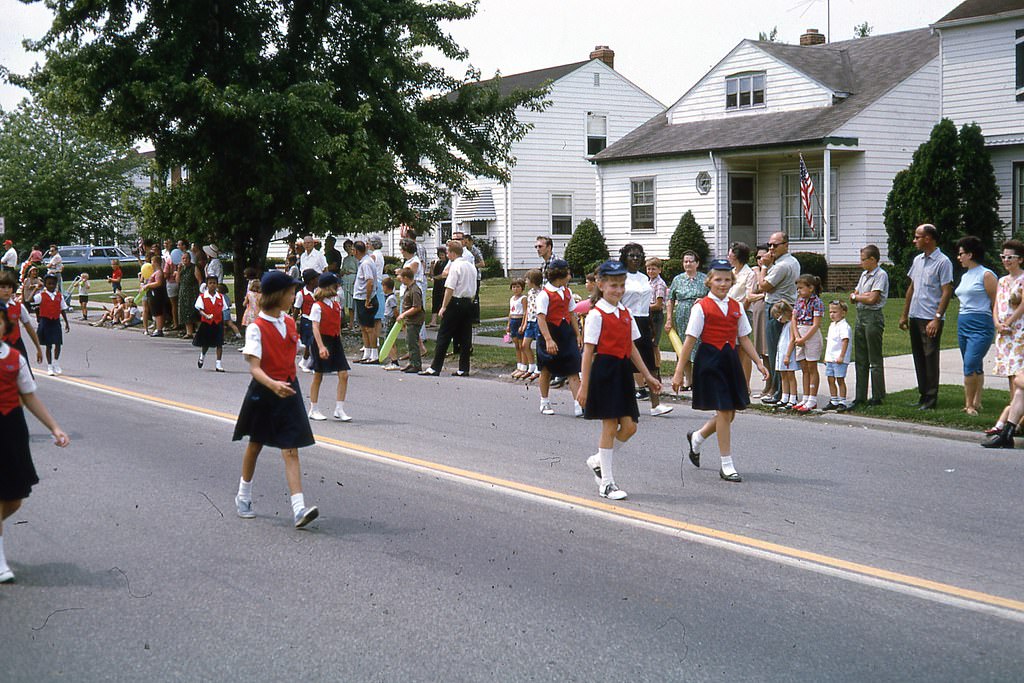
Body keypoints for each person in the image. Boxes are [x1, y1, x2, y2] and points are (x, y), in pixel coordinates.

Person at [233, 269, 319, 528]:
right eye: (291, 292)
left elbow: (293, 350)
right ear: (278, 295)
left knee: (290, 448)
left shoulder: (290, 322)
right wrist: (273, 384)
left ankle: (298, 509)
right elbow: (255, 368)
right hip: (264, 391)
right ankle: (243, 495)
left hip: (288, 390)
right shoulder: (256, 329)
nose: (294, 296)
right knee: (255, 444)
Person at [674, 260, 768, 483]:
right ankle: (726, 464)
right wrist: (679, 371)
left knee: (730, 413)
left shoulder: (736, 307)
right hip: (709, 362)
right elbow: (689, 341)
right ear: (709, 281)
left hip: (729, 361)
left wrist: (758, 362)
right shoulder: (701, 307)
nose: (723, 284)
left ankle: (697, 437)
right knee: (724, 412)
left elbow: (743, 337)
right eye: (718, 279)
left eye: (727, 280)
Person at [577, 260, 662, 501]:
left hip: (623, 373)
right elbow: (588, 351)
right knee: (609, 424)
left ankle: (597, 461)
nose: (618, 290)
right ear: (601, 285)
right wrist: (584, 384)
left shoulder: (625, 312)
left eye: (622, 285)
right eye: (613, 285)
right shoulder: (597, 314)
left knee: (630, 427)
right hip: (605, 371)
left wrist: (647, 376)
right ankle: (607, 483)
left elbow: (632, 347)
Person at [0, 306, 70, 583]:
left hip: (12, 429)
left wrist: (54, 427)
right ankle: (1, 562)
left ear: (6, 327)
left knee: (15, 498)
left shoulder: (14, 359)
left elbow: (29, 397)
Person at [898, 224, 954, 410]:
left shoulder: (943, 262)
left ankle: (931, 398)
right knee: (919, 357)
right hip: (916, 315)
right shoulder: (918, 260)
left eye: (918, 237)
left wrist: (937, 318)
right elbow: (912, 288)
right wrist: (905, 314)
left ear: (928, 238)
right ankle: (923, 395)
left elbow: (946, 291)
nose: (915, 240)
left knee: (930, 357)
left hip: (930, 317)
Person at [620, 243, 671, 417]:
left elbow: (647, 304)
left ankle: (656, 405)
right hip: (625, 321)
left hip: (643, 321)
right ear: (625, 257)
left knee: (651, 364)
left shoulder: (643, 278)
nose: (635, 259)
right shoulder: (620, 277)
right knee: (624, 365)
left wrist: (651, 325)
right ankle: (621, 404)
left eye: (638, 256)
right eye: (631, 255)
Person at [953, 236, 997, 416]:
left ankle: (969, 405)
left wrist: (998, 324)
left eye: (961, 254)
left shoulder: (986, 275)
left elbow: (996, 302)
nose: (959, 257)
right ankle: (977, 401)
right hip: (963, 322)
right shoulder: (965, 276)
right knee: (975, 364)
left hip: (981, 324)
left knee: (970, 364)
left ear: (970, 254)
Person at [533, 259, 583, 415]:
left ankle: (578, 405)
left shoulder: (566, 292)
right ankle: (544, 402)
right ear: (560, 275)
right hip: (550, 332)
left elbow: (572, 314)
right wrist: (548, 339)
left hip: (565, 332)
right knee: (547, 368)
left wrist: (578, 334)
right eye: (568, 273)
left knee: (573, 368)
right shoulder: (544, 294)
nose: (570, 276)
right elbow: (541, 318)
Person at [420, 240, 476, 377]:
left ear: (452, 253)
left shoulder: (455, 267)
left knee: (444, 335)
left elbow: (450, 288)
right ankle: (464, 368)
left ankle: (435, 367)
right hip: (468, 302)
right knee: (465, 336)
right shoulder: (471, 266)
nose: (447, 254)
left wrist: (444, 306)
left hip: (455, 302)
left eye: (448, 252)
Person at [985, 240, 1024, 436]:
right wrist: (997, 323)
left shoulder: (1023, 279)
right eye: (1004, 257)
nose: (1006, 260)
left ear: (1020, 259)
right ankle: (1013, 420)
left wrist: (1009, 322)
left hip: (1019, 333)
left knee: (1020, 376)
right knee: (1010, 374)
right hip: (1003, 335)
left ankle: (1013, 420)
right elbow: (996, 305)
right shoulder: (1001, 281)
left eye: (1010, 257)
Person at [307, 272, 351, 421]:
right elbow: (315, 327)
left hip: (334, 340)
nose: (338, 287)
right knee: (318, 375)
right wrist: (321, 347)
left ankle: (339, 408)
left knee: (344, 374)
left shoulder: (336, 304)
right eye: (336, 284)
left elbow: (337, 325)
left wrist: (339, 340)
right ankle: (313, 408)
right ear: (329, 287)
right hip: (321, 340)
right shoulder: (317, 307)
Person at [849, 245, 889, 407]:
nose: (861, 263)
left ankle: (878, 395)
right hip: (861, 316)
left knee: (874, 358)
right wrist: (860, 296)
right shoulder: (864, 275)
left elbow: (873, 299)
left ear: (873, 259)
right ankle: (860, 396)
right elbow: (854, 295)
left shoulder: (881, 275)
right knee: (861, 358)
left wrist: (859, 296)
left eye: (863, 259)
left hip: (873, 317)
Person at [665, 250, 708, 391]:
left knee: (699, 346)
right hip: (682, 316)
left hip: (700, 315)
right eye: (685, 261)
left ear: (697, 263)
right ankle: (688, 380)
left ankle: (700, 379)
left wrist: (703, 300)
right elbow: (670, 299)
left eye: (691, 261)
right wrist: (669, 318)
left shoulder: (704, 278)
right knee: (684, 347)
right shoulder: (678, 279)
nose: (688, 264)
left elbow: (713, 296)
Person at [791, 274, 824, 413]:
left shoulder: (817, 302)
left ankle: (812, 398)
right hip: (800, 332)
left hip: (811, 334)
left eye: (801, 288)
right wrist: (797, 336)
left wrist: (803, 339)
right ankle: (805, 397)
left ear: (811, 288)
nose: (799, 291)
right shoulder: (799, 301)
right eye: (797, 288)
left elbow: (816, 324)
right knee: (804, 367)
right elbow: (794, 319)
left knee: (812, 367)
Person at [0, 271, 43, 370]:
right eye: (3, 287)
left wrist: (38, 348)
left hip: (16, 344)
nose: (6, 290)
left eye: (9, 287)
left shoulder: (19, 307)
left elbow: (29, 328)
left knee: (24, 372)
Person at [727, 242, 755, 387]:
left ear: (737, 256)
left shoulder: (749, 274)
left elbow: (748, 297)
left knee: (744, 349)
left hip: (743, 313)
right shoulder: (730, 272)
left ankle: (746, 385)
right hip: (728, 314)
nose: (728, 256)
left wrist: (739, 313)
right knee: (733, 349)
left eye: (730, 253)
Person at [32, 274, 70, 375]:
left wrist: (66, 322)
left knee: (58, 343)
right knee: (49, 345)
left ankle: (56, 363)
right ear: (45, 284)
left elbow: (62, 309)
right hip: (46, 321)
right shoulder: (41, 295)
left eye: (53, 283)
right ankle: (49, 366)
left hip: (55, 321)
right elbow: (30, 300)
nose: (51, 286)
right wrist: (35, 289)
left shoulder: (59, 296)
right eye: (49, 284)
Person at [194, 274, 229, 372]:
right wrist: (206, 315)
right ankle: (202, 355)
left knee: (219, 343)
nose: (212, 285)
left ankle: (218, 363)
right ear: (207, 285)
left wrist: (226, 323)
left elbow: (223, 309)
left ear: (217, 285)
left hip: (218, 323)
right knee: (206, 344)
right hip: (207, 323)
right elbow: (200, 309)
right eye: (210, 283)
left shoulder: (220, 297)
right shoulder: (202, 297)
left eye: (214, 283)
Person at [352, 241, 380, 364]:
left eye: (353, 250)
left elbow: (370, 281)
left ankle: (374, 354)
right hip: (360, 298)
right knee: (363, 327)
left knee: (369, 328)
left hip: (365, 298)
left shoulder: (366, 263)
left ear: (356, 251)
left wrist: (368, 299)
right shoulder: (363, 262)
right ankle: (367, 353)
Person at [822, 301, 852, 411]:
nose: (832, 314)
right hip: (830, 358)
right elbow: (830, 343)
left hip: (839, 359)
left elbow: (845, 341)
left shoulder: (844, 326)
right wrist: (826, 357)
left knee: (840, 379)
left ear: (843, 313)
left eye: (835, 312)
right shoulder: (832, 325)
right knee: (830, 379)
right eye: (830, 312)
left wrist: (841, 356)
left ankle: (842, 401)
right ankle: (833, 400)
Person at [396, 267, 425, 373]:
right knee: (409, 341)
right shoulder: (409, 288)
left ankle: (416, 364)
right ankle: (411, 362)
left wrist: (403, 314)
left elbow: (417, 307)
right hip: (409, 320)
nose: (400, 280)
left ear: (406, 278)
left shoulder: (415, 290)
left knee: (413, 342)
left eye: (402, 278)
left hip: (415, 320)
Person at [773, 302, 800, 410]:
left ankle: (793, 398)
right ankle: (784, 397)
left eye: (779, 316)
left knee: (790, 376)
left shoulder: (791, 325)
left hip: (788, 354)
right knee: (783, 376)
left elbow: (792, 340)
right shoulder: (785, 325)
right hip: (782, 354)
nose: (778, 319)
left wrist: (788, 355)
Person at [294, 269, 319, 371]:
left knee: (314, 342)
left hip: (316, 320)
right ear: (311, 281)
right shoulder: (301, 294)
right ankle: (306, 361)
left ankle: (307, 361)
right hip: (306, 320)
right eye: (316, 278)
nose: (318, 280)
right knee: (309, 342)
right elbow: (296, 309)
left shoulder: (318, 292)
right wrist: (293, 322)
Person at [519, 268, 542, 380]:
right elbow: (528, 308)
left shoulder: (541, 293)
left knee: (539, 346)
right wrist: (525, 323)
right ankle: (531, 366)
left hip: (538, 322)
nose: (526, 281)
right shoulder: (530, 293)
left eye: (527, 279)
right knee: (525, 345)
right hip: (530, 321)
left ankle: (538, 368)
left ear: (532, 280)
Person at [140, 254, 169, 336]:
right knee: (155, 311)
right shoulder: (155, 272)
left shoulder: (159, 272)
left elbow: (158, 283)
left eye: (152, 262)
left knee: (158, 311)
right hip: (153, 293)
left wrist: (148, 285)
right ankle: (158, 328)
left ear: (156, 262)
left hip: (157, 293)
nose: (151, 263)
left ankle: (159, 329)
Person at [646, 258, 667, 371]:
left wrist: (644, 307)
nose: (650, 271)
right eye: (648, 269)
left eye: (653, 269)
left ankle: (656, 369)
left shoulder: (659, 284)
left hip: (656, 316)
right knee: (648, 344)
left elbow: (658, 305)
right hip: (648, 315)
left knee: (654, 344)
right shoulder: (648, 282)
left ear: (659, 270)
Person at [176, 251, 200, 339]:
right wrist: (178, 271)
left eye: (186, 258)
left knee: (194, 312)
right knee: (185, 312)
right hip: (183, 291)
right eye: (183, 258)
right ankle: (189, 332)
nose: (184, 260)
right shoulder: (181, 269)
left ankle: (199, 331)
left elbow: (199, 280)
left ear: (189, 259)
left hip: (192, 292)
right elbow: (177, 281)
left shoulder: (194, 267)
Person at [507, 278, 528, 378]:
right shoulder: (512, 299)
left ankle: (524, 366)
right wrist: (508, 325)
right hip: (513, 322)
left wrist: (523, 324)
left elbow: (525, 312)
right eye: (514, 287)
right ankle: (519, 365)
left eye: (518, 287)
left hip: (520, 321)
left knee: (522, 345)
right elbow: (510, 313)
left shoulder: (523, 298)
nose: (516, 289)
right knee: (516, 345)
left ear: (522, 288)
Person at [381, 277, 400, 370]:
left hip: (389, 320)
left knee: (388, 342)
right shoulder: (389, 297)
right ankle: (393, 359)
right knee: (390, 342)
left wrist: (397, 318)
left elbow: (395, 310)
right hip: (387, 319)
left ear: (386, 287)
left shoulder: (391, 298)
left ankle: (394, 361)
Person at [340, 240, 358, 330]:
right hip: (345, 280)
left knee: (352, 303)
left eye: (349, 246)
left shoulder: (355, 258)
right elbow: (342, 269)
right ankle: (347, 322)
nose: (347, 248)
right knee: (345, 302)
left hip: (352, 279)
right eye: (345, 247)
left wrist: (356, 281)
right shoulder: (345, 259)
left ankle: (352, 322)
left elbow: (358, 270)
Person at [428, 246, 448, 328]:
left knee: (444, 302)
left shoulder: (448, 263)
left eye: (442, 255)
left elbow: (444, 275)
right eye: (439, 255)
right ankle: (433, 321)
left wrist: (435, 278)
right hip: (437, 286)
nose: (441, 257)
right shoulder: (438, 263)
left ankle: (445, 320)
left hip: (444, 285)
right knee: (435, 302)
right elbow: (432, 274)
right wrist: (432, 266)